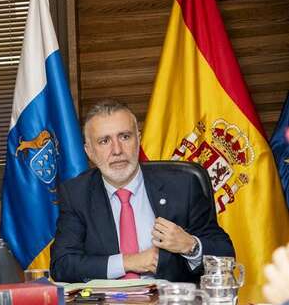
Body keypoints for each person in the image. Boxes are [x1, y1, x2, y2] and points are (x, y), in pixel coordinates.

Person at [50, 99, 235, 283]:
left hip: (171, 304)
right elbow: (62, 265)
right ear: (89, 151)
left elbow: (225, 253)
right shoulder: (76, 194)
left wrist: (190, 245)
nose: (117, 150)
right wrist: (129, 262)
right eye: (104, 141)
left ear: (138, 139)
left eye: (125, 137)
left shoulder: (182, 185)